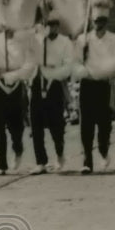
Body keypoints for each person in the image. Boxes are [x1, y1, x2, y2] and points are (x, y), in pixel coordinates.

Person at [73, 0, 115, 174]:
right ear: (91, 22)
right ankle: (87, 160)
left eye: (101, 22)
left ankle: (103, 149)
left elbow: (111, 64)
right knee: (86, 125)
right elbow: (76, 63)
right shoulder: (83, 39)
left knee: (103, 126)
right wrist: (82, 56)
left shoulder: (114, 40)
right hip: (87, 85)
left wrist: (95, 70)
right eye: (95, 22)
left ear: (106, 22)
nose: (98, 25)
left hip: (103, 86)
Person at [0, 23, 36, 175]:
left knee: (16, 126)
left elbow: (30, 64)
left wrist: (15, 75)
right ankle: (1, 163)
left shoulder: (23, 40)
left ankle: (18, 147)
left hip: (16, 85)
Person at [29, 9, 73, 174]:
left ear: (58, 26)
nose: (51, 27)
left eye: (54, 24)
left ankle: (60, 152)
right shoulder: (39, 40)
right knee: (36, 123)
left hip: (55, 84)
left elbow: (68, 65)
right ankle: (40, 160)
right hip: (38, 82)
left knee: (56, 125)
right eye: (49, 24)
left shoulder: (65, 42)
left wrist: (55, 71)